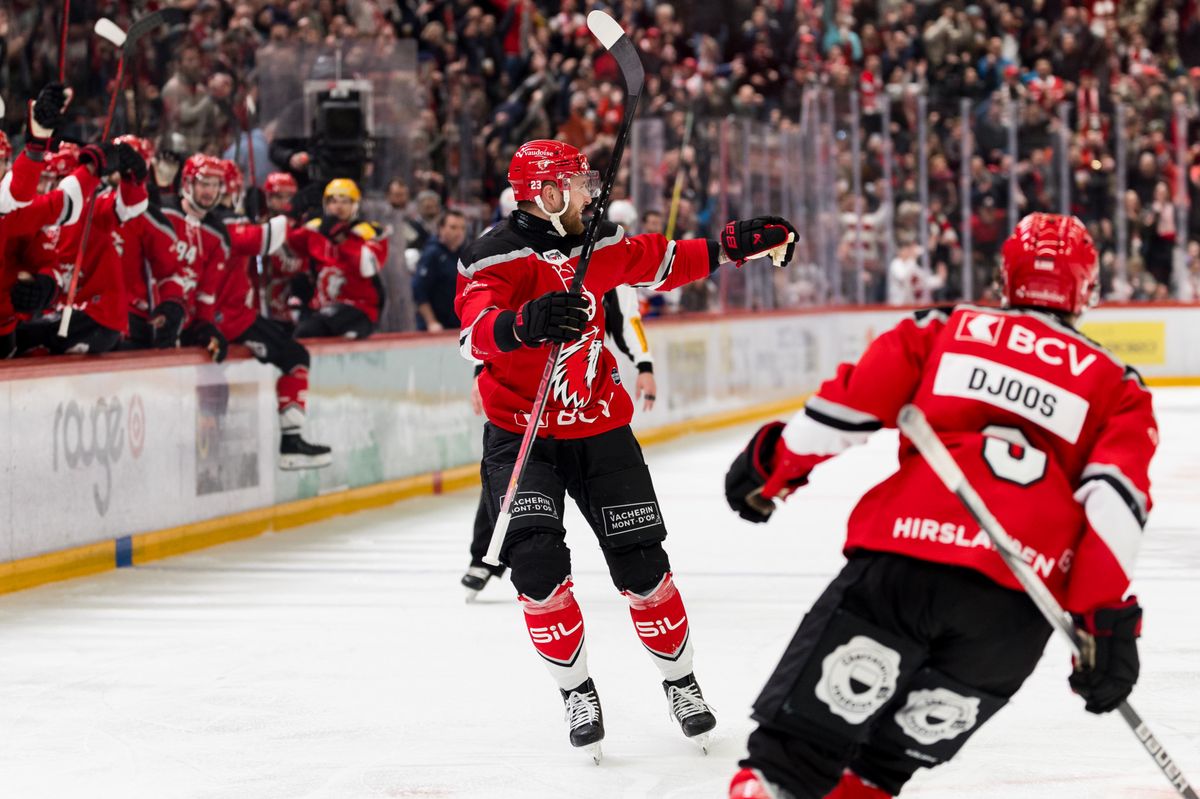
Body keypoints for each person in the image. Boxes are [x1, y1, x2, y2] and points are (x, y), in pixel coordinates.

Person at [724, 213, 1155, 799]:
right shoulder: (1117, 384)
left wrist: (770, 468)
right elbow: (1115, 506)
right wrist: (1104, 624)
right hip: (1012, 616)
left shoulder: (946, 326)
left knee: (789, 763)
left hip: (903, 570)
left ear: (1006, 278)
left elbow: (846, 410)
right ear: (1087, 288)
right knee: (874, 775)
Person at [456, 138, 797, 759]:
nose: (592, 191)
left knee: (642, 564)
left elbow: (667, 259)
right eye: (578, 184)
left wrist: (732, 246)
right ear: (548, 192)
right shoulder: (492, 256)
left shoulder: (600, 244)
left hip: (599, 428)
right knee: (536, 569)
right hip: (523, 435)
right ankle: (576, 692)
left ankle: (682, 683)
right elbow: (475, 335)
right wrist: (525, 323)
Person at [460, 281, 658, 600]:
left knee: (599, 478)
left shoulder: (602, 248)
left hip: (581, 392)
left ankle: (633, 560)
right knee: (513, 475)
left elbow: (626, 314)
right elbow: (489, 319)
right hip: (523, 390)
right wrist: (479, 374)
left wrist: (644, 365)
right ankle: (484, 557)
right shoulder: (520, 254)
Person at [162, 154, 331, 470]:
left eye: (218, 186)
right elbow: (263, 240)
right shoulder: (219, 225)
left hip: (228, 315)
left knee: (289, 347)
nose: (215, 193)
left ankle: (284, 441)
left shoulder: (214, 222)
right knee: (294, 355)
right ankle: (290, 442)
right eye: (207, 185)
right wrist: (293, 212)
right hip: (224, 319)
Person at [287, 179, 388, 340]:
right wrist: (292, 215)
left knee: (309, 331)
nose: (338, 207)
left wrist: (342, 239)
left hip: (358, 307)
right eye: (333, 201)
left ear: (355, 205)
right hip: (321, 307)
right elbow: (288, 248)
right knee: (294, 331)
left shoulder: (370, 232)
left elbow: (367, 267)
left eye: (345, 201)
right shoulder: (315, 229)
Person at [413, 209, 468, 332]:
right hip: (435, 328)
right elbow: (419, 290)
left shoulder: (465, 254)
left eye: (462, 228)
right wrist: (431, 322)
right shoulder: (432, 254)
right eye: (453, 227)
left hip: (458, 326)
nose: (459, 233)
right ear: (441, 229)